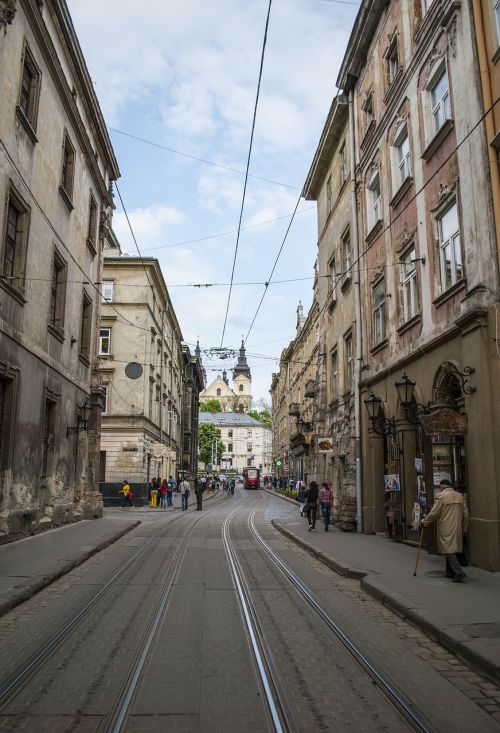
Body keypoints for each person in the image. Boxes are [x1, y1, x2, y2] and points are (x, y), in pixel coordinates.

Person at [421, 478, 469, 582]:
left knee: (449, 549)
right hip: (458, 527)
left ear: (442, 487)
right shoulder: (460, 496)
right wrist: (464, 528)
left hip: (446, 526)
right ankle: (449, 572)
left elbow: (434, 513)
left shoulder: (441, 496)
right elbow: (466, 514)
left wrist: (425, 522)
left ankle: (458, 572)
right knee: (453, 547)